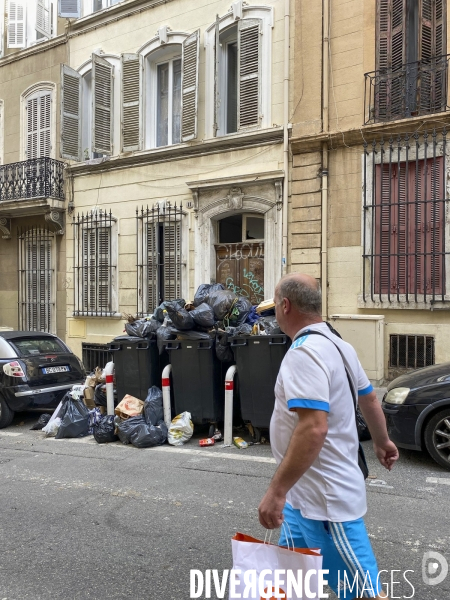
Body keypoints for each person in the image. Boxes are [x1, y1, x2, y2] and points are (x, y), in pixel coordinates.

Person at [258, 273, 399, 599]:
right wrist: (382, 441)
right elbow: (369, 398)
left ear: (285, 306)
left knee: (363, 593)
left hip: (326, 505)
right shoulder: (339, 344)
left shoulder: (304, 353)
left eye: (276, 304)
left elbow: (314, 427)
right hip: (302, 498)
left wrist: (275, 491)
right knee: (289, 579)